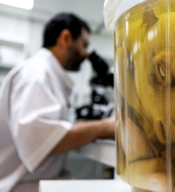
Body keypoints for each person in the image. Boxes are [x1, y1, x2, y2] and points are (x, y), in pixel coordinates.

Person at [0, 13, 115, 192]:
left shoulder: (45, 74)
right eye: (84, 45)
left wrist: (84, 127)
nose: (86, 54)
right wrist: (106, 127)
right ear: (66, 38)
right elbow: (40, 139)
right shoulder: (36, 74)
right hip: (20, 186)